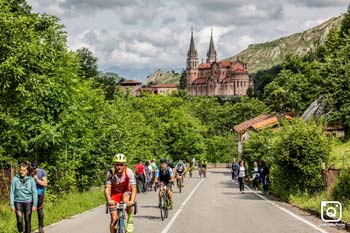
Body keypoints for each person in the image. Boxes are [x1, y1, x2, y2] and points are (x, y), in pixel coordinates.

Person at [105, 154, 137, 233]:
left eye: (121, 164)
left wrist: (132, 201)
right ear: (114, 165)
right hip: (114, 194)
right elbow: (107, 189)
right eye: (117, 164)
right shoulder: (110, 173)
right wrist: (109, 200)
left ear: (124, 165)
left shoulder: (129, 172)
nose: (119, 167)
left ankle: (129, 219)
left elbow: (133, 188)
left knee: (126, 200)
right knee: (114, 218)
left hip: (125, 191)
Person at [10, 162, 38, 233]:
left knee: (27, 220)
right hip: (18, 202)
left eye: (24, 170)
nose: (22, 172)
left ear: (27, 171)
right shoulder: (15, 179)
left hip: (28, 202)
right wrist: (12, 204)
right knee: (19, 221)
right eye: (20, 170)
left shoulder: (31, 179)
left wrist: (34, 204)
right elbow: (12, 192)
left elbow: (34, 192)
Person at [31, 162, 48, 233]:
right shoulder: (29, 172)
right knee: (28, 210)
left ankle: (40, 227)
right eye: (33, 167)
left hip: (39, 193)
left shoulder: (42, 171)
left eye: (35, 167)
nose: (35, 169)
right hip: (30, 194)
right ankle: (28, 228)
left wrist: (37, 179)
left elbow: (45, 184)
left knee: (39, 209)